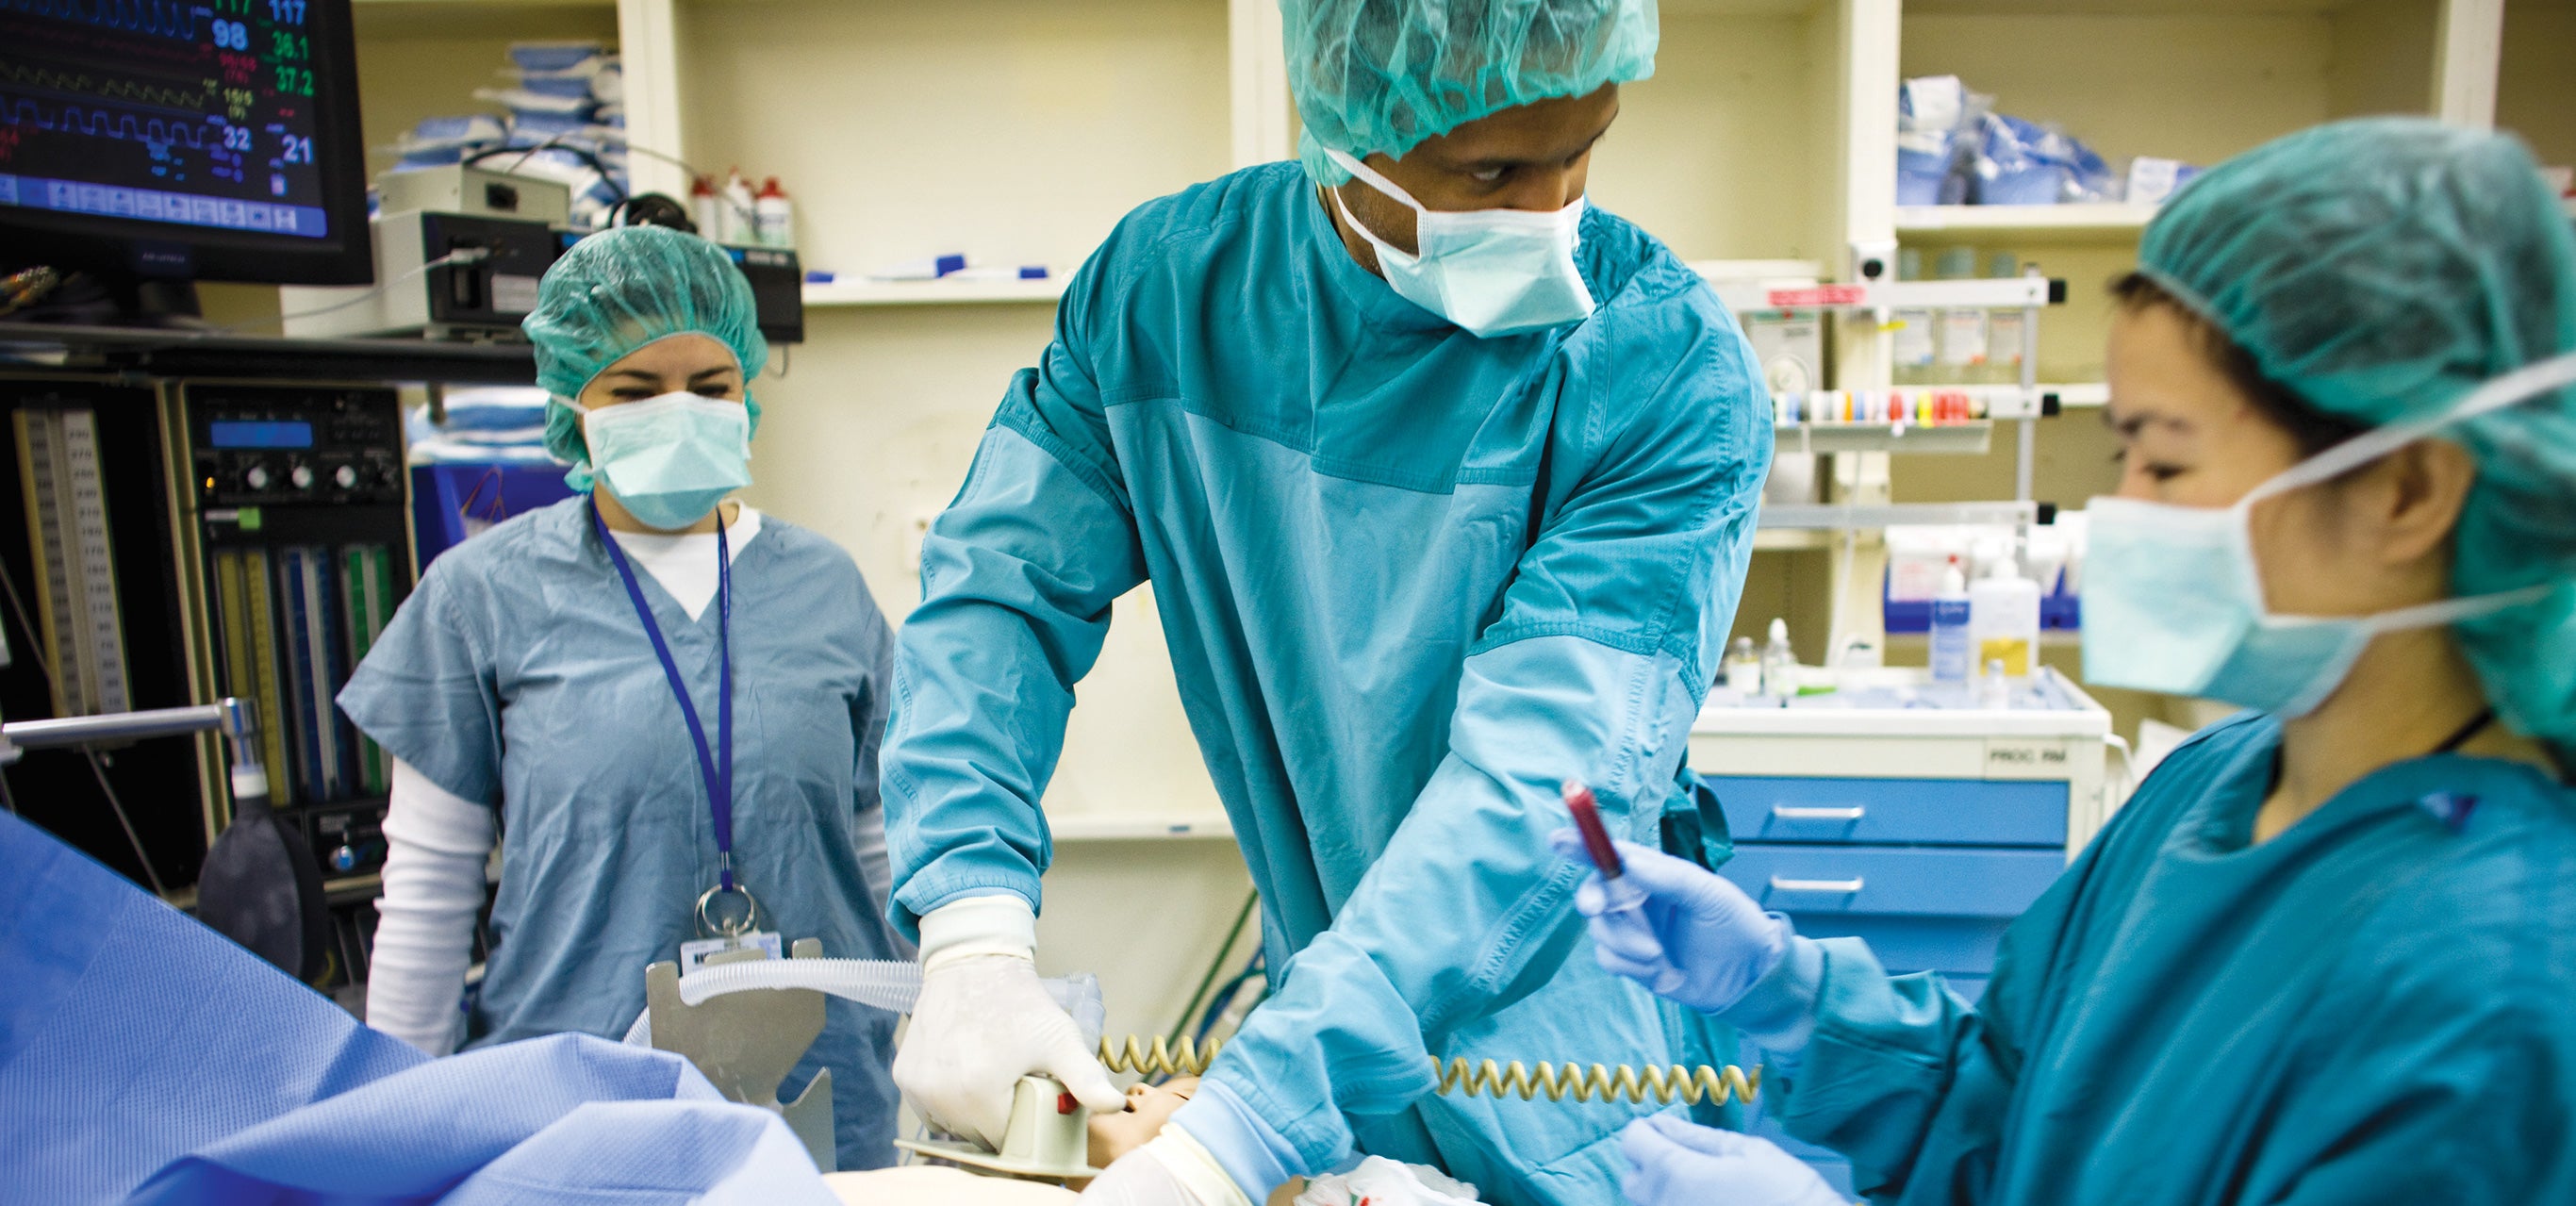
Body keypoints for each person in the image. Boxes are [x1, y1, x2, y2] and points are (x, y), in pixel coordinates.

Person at [1560, 118, 2576, 1205]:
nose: (2121, 514)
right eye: (2121, 454)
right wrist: (1783, 990)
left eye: (2168, 460)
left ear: (2405, 492)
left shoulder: (2492, 994)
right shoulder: (2215, 783)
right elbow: (2020, 1105)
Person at [878, 1, 1771, 1204]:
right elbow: (996, 597)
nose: (1549, 215)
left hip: (1572, 1064)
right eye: (1492, 168)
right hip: (1322, 1051)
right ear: (1349, 120)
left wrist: (1240, 1131)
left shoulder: (1657, 362)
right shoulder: (1168, 300)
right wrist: (970, 926)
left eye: (1585, 150)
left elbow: (1543, 787)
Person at [339, 223, 908, 1171]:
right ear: (572, 403)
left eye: (709, 389)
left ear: (746, 395)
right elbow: (430, 898)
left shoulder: (825, 585)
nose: (677, 413)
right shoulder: (481, 595)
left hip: (822, 1097)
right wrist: (391, 1133)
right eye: (635, 392)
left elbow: (875, 856)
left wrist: (937, 1021)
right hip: (564, 1101)